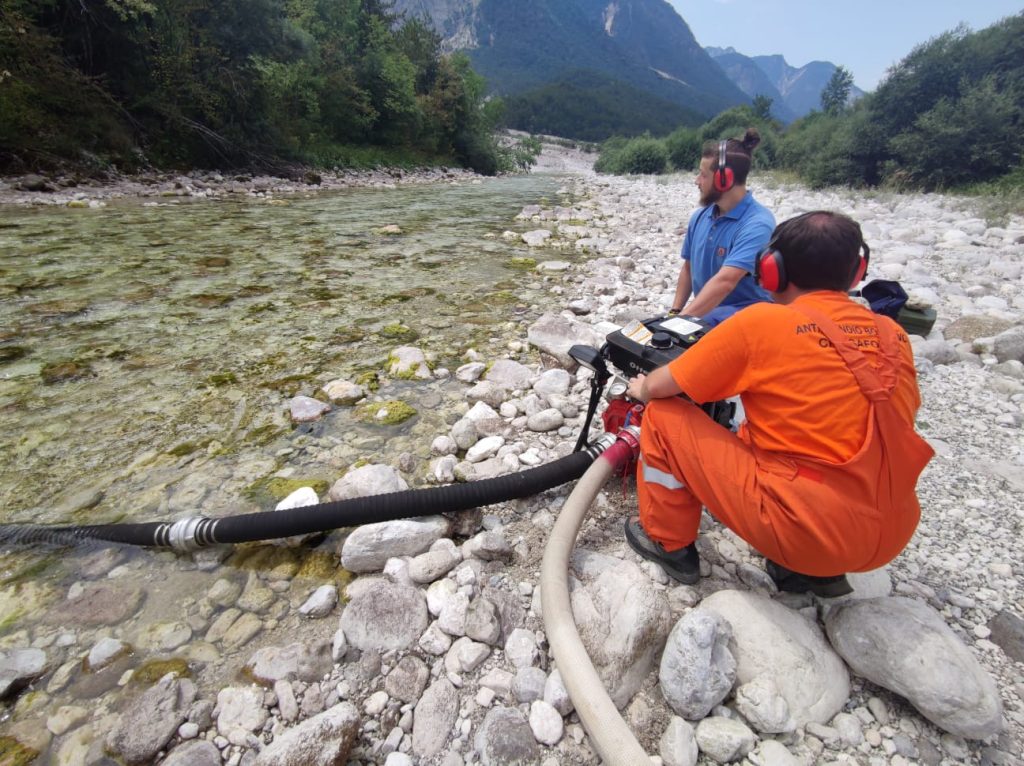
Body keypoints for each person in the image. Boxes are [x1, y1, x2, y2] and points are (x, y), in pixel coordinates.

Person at [624, 211, 934, 596]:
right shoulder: (893, 334)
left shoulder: (762, 323)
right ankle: (810, 572)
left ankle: (667, 543)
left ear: (772, 271)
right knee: (764, 430)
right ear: (857, 272)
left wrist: (642, 388)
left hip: (809, 532)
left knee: (664, 414)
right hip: (894, 531)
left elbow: (663, 386)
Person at [670, 128, 775, 327]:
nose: (697, 181)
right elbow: (688, 268)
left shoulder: (757, 224)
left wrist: (679, 323)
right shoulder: (700, 216)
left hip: (748, 320)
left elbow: (726, 282)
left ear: (724, 179)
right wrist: (674, 312)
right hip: (709, 314)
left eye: (703, 175)